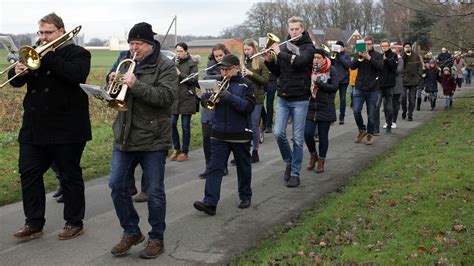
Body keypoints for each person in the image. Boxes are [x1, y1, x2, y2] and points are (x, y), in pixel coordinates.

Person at [8, 13, 91, 241]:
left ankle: (74, 222)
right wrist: (16, 73)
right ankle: (33, 223)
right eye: (41, 32)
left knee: (69, 176)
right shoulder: (34, 52)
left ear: (61, 32)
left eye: (48, 33)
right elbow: (15, 81)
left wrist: (49, 56)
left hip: (67, 128)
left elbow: (76, 75)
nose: (43, 37)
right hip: (34, 128)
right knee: (29, 174)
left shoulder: (78, 53)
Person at [107, 22, 177, 259]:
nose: (133, 48)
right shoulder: (124, 59)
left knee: (155, 192)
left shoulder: (165, 66)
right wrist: (111, 82)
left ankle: (156, 238)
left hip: (153, 138)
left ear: (150, 44)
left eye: (138, 44)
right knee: (117, 186)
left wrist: (136, 84)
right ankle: (131, 231)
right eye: (131, 43)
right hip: (124, 135)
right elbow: (114, 92)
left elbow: (166, 98)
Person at [193, 54, 256, 215]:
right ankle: (210, 202)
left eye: (227, 69)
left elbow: (247, 108)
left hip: (240, 133)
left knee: (243, 167)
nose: (224, 72)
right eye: (222, 69)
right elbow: (206, 104)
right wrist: (206, 95)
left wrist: (229, 97)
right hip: (219, 133)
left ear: (236, 68)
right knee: (214, 168)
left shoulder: (247, 85)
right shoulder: (218, 83)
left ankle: (245, 195)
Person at [263, 16, 316, 188]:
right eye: (291, 29)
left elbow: (300, 62)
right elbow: (279, 72)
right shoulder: (285, 46)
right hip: (284, 97)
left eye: (296, 29)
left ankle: (295, 173)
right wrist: (269, 61)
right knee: (279, 133)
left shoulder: (309, 47)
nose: (293, 32)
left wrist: (280, 53)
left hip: (300, 98)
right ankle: (289, 161)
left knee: (298, 139)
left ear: (302, 29)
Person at [199, 43, 230, 179]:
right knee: (206, 136)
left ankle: (223, 166)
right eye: (216, 56)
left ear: (225, 54)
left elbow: (229, 80)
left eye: (220, 56)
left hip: (222, 105)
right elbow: (206, 79)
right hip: (209, 105)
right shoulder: (210, 65)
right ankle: (209, 166)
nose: (218, 58)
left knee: (220, 138)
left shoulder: (230, 65)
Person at [304, 49, 338, 173]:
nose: (316, 60)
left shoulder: (331, 70)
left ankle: (321, 161)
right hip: (311, 106)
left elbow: (334, 87)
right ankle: (313, 155)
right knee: (307, 134)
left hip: (325, 107)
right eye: (314, 57)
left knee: (323, 136)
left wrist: (318, 82)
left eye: (318, 57)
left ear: (324, 58)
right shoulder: (310, 70)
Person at [240, 38, 270, 163]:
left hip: (256, 98)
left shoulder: (261, 62)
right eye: (245, 49)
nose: (247, 52)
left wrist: (251, 74)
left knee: (253, 124)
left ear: (254, 48)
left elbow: (265, 80)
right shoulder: (242, 61)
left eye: (249, 49)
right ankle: (243, 150)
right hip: (243, 97)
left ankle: (255, 151)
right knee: (243, 125)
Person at [350, 36, 383, 145]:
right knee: (356, 111)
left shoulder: (378, 55)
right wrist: (358, 57)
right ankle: (362, 129)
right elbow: (352, 67)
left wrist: (369, 58)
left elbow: (380, 67)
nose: (367, 46)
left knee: (371, 114)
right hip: (359, 87)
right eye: (365, 44)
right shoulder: (359, 54)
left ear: (372, 44)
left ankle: (370, 133)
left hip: (372, 88)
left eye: (369, 44)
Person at [169, 42, 198, 162]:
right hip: (174, 97)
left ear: (186, 51)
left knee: (185, 126)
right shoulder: (172, 62)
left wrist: (180, 74)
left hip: (187, 98)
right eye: (177, 51)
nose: (178, 53)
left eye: (180, 51)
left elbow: (194, 80)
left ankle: (185, 151)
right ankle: (176, 149)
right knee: (172, 123)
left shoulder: (192, 63)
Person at [374, 39, 398, 134]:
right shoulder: (378, 56)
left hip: (389, 84)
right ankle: (376, 127)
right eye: (382, 46)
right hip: (379, 84)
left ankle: (389, 125)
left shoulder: (393, 55)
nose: (384, 47)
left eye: (386, 46)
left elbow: (394, 68)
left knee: (389, 107)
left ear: (389, 46)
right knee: (376, 106)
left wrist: (386, 60)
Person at [400, 42, 423, 121]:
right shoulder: (401, 56)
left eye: (408, 47)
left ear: (411, 47)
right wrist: (404, 54)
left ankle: (410, 114)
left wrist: (419, 76)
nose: (407, 48)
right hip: (404, 81)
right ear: (404, 48)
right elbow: (399, 66)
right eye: (406, 47)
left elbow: (420, 67)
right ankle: (404, 110)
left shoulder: (416, 56)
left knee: (412, 99)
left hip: (413, 81)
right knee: (402, 97)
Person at [331, 41, 351, 125]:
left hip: (344, 80)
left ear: (343, 48)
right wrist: (332, 57)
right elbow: (330, 65)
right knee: (331, 98)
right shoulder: (334, 55)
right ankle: (331, 117)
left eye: (340, 47)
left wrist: (339, 56)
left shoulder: (347, 56)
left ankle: (341, 116)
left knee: (342, 99)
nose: (339, 49)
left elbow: (347, 65)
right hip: (335, 79)